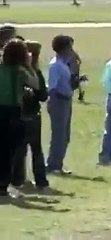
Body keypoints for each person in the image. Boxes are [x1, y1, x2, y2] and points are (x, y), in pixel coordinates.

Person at [0, 39, 40, 197]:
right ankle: (4, 184)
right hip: (12, 111)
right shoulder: (21, 71)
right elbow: (36, 84)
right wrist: (30, 65)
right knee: (9, 150)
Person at [11, 40, 49, 190]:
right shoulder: (35, 73)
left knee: (19, 149)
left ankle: (17, 179)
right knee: (36, 149)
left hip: (17, 114)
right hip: (33, 115)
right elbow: (43, 96)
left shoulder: (12, 71)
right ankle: (41, 181)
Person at [46, 35, 74, 174]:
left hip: (66, 101)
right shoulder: (55, 66)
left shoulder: (64, 64)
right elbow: (52, 88)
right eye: (70, 47)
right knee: (59, 135)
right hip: (58, 101)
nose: (71, 50)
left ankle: (58, 164)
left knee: (65, 135)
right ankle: (53, 165)